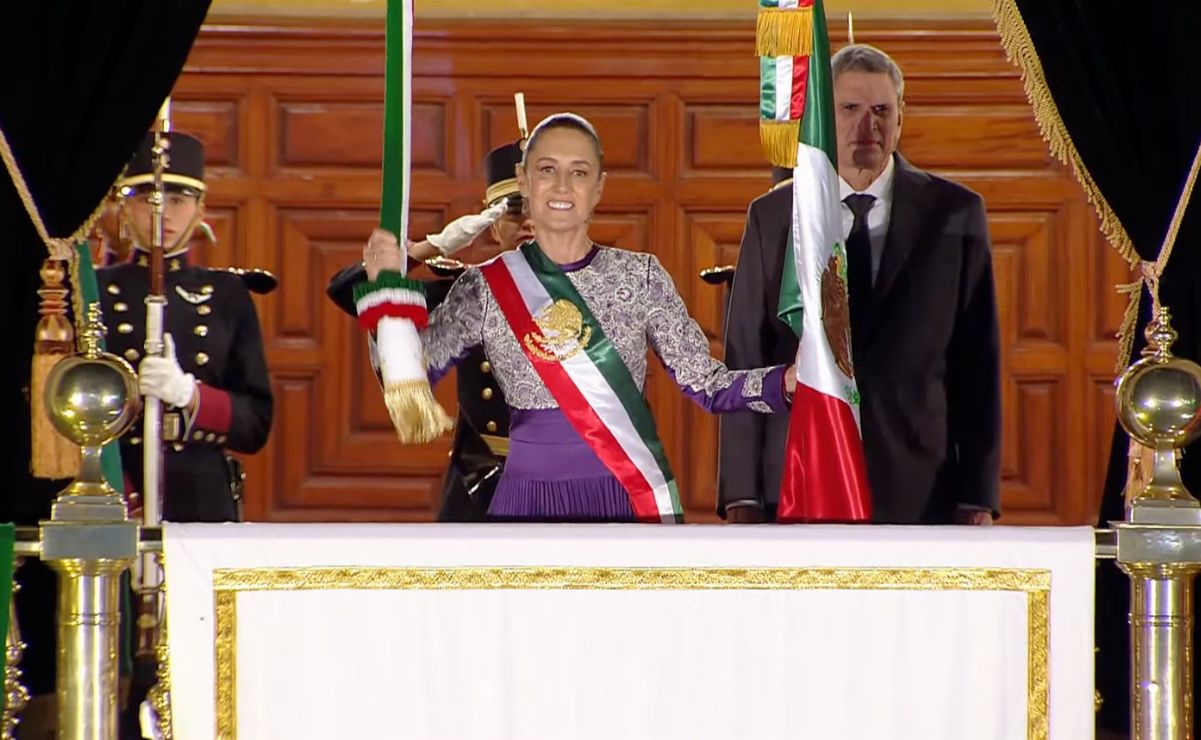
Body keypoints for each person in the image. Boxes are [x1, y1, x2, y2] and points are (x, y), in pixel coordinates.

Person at [361, 113, 795, 522]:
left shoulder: (641, 276)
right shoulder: (485, 286)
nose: (562, 186)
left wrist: (785, 382)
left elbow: (707, 384)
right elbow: (404, 377)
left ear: (599, 187)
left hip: (626, 495)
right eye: (547, 170)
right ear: (524, 181)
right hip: (524, 503)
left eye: (579, 172)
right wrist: (386, 292)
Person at [718, 43, 1001, 525]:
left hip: (918, 486)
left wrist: (977, 495)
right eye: (849, 109)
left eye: (880, 110)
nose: (866, 126)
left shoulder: (955, 214)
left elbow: (978, 365)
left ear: (901, 116)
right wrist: (741, 494)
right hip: (798, 480)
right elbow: (746, 356)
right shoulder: (773, 216)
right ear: (824, 118)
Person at [327, 140, 533, 521]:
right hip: (483, 487)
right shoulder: (468, 290)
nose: (530, 224)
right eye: (515, 211)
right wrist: (424, 248)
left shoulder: (601, 290)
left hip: (573, 484)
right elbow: (345, 292)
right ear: (492, 226)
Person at [97, 131, 274, 523]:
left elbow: (256, 424)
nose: (164, 214)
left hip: (201, 496)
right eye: (146, 200)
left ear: (200, 209)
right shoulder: (97, 290)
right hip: (114, 490)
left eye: (178, 201)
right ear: (125, 209)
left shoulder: (228, 294)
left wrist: (190, 395)